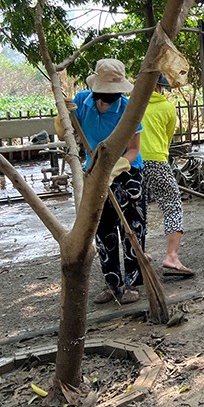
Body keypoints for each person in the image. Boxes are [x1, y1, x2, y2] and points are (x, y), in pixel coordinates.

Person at [72, 59, 145, 304]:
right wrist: (63, 118)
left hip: (126, 173)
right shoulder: (82, 101)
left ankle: (132, 284)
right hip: (94, 172)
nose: (109, 97)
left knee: (132, 229)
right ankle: (112, 284)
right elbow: (68, 129)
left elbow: (134, 149)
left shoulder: (128, 109)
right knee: (103, 231)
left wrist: (116, 168)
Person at [141, 74, 192, 275]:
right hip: (157, 160)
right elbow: (168, 137)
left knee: (137, 208)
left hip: (130, 162)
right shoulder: (168, 108)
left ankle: (139, 252)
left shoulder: (130, 105)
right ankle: (171, 256)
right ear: (161, 89)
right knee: (172, 205)